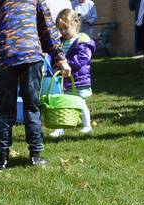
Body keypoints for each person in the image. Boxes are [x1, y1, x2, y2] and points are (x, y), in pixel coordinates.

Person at [0, 0, 71, 170]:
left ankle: (2, 158)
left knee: (5, 111)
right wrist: (60, 58)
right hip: (30, 56)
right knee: (32, 107)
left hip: (6, 58)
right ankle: (35, 156)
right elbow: (47, 27)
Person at [50, 9, 93, 137]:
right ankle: (61, 128)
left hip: (79, 79)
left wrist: (66, 64)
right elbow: (56, 57)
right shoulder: (61, 42)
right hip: (65, 79)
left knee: (80, 102)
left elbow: (82, 58)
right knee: (63, 103)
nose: (62, 32)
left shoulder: (83, 41)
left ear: (75, 23)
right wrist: (56, 65)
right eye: (60, 29)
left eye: (65, 28)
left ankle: (87, 125)